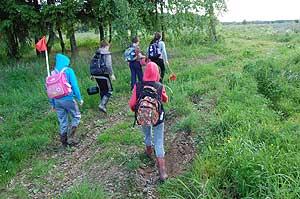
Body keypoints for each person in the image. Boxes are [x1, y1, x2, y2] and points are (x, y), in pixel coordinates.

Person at [129, 62, 168, 181]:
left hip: (143, 116)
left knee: (147, 134)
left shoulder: (138, 85)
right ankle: (162, 171)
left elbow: (132, 105)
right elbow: (165, 100)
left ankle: (148, 152)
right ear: (157, 72)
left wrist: (141, 111)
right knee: (159, 141)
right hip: (158, 117)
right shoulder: (159, 85)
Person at [50, 53, 83, 147]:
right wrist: (79, 98)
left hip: (57, 101)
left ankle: (63, 140)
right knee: (76, 116)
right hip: (68, 99)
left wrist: (52, 103)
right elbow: (74, 86)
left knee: (62, 120)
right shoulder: (68, 71)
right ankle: (71, 138)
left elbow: (50, 90)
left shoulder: (52, 73)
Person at [90, 40, 116, 113]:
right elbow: (108, 65)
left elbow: (92, 64)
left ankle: (103, 106)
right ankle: (102, 104)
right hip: (103, 74)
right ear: (106, 46)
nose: (108, 49)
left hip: (95, 75)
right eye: (108, 47)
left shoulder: (96, 53)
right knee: (110, 90)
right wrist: (112, 74)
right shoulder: (106, 53)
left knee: (102, 89)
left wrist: (91, 74)